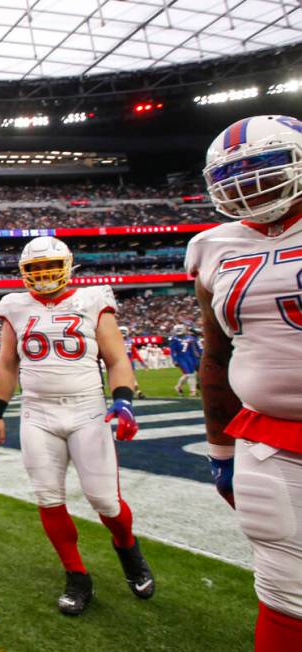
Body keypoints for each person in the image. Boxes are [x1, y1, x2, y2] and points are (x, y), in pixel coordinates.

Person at [0, 236, 154, 616]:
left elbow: (115, 358)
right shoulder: (14, 306)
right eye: (35, 269)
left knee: (104, 500)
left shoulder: (93, 300)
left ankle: (128, 549)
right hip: (37, 413)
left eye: (50, 267)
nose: (43, 276)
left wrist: (123, 400)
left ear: (68, 266)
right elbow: (8, 364)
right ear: (23, 272)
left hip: (86, 410)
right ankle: (77, 576)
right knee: (48, 497)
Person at [186, 114, 302, 651]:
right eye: (235, 174)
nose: (250, 183)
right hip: (268, 442)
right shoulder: (213, 245)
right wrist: (220, 451)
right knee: (284, 595)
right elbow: (216, 356)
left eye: (264, 166)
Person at [168, 324, 201, 396]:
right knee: (190, 374)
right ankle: (193, 391)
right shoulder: (174, 339)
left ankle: (178, 386)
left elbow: (192, 349)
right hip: (181, 358)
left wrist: (196, 358)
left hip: (190, 357)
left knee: (188, 374)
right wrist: (174, 360)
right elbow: (173, 351)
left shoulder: (190, 338)